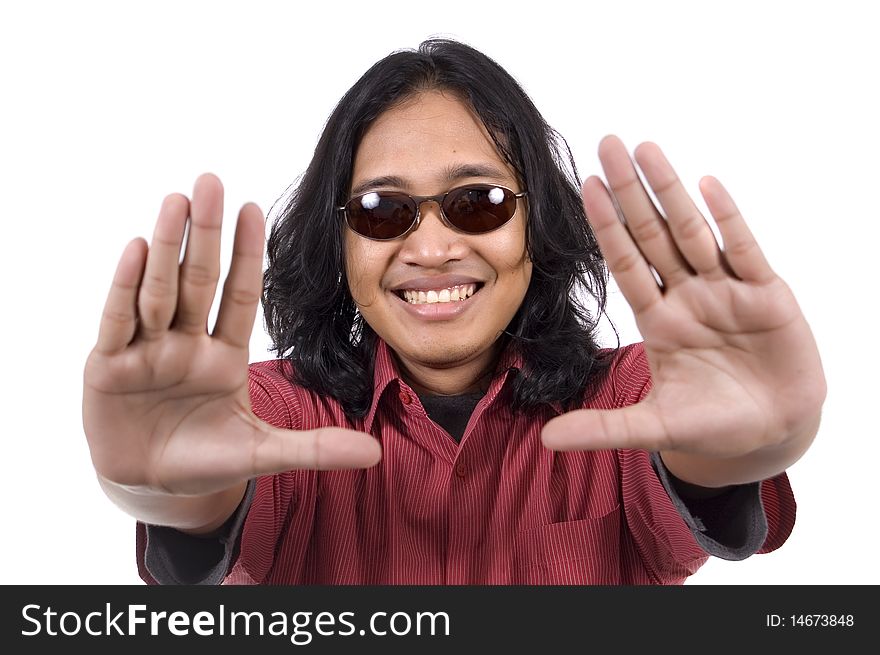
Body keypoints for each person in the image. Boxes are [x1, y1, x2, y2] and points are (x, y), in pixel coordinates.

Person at [82, 39, 825, 585]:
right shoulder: (274, 420)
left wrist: (742, 449)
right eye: (382, 210)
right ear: (338, 240)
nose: (432, 247)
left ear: (534, 225)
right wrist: (153, 486)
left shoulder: (632, 400)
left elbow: (703, 447)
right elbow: (204, 494)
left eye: (479, 202)